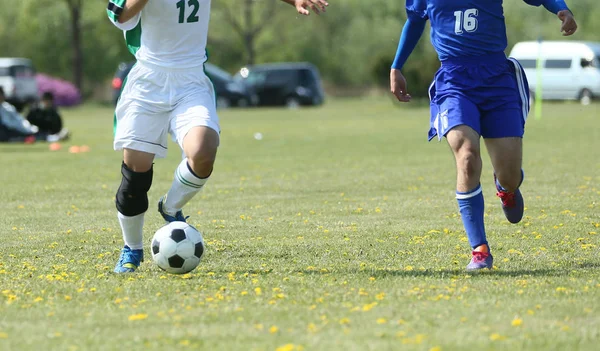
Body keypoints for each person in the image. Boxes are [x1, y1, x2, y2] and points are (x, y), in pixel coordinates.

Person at [106, 0, 329, 273]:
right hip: (148, 83)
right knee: (135, 177)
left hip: (190, 81)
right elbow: (120, 16)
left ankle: (171, 207)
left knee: (203, 153)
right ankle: (132, 248)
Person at [390, 0, 577, 270]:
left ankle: (506, 187)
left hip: (496, 79)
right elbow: (416, 19)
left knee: (510, 175)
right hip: (454, 81)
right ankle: (479, 250)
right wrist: (397, 66)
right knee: (466, 156)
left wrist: (562, 9)